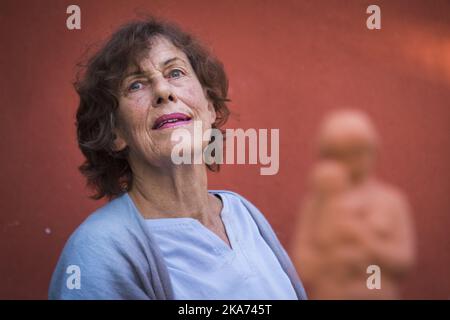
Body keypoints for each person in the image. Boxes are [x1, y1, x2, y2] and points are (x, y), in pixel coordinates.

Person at [49, 18, 306, 300]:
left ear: (209, 107)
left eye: (175, 72)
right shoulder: (99, 251)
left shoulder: (243, 214)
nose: (162, 91)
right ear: (114, 133)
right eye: (136, 85)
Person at [292, 110, 415, 299]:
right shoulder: (316, 204)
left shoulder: (391, 201)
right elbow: (302, 266)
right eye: (339, 153)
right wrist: (337, 259)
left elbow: (403, 261)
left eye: (357, 151)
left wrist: (364, 240)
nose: (351, 160)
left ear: (373, 150)